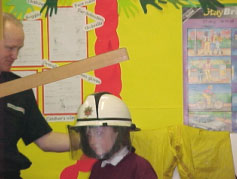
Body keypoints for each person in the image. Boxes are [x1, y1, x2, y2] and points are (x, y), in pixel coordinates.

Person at [0, 13, 70, 178]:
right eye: (10, 48)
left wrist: (90, 139)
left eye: (19, 49)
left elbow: (46, 140)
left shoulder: (18, 89)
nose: (15, 56)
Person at [68, 92, 158, 179]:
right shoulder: (98, 168)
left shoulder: (139, 167)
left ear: (118, 132)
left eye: (99, 133)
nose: (92, 141)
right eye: (89, 135)